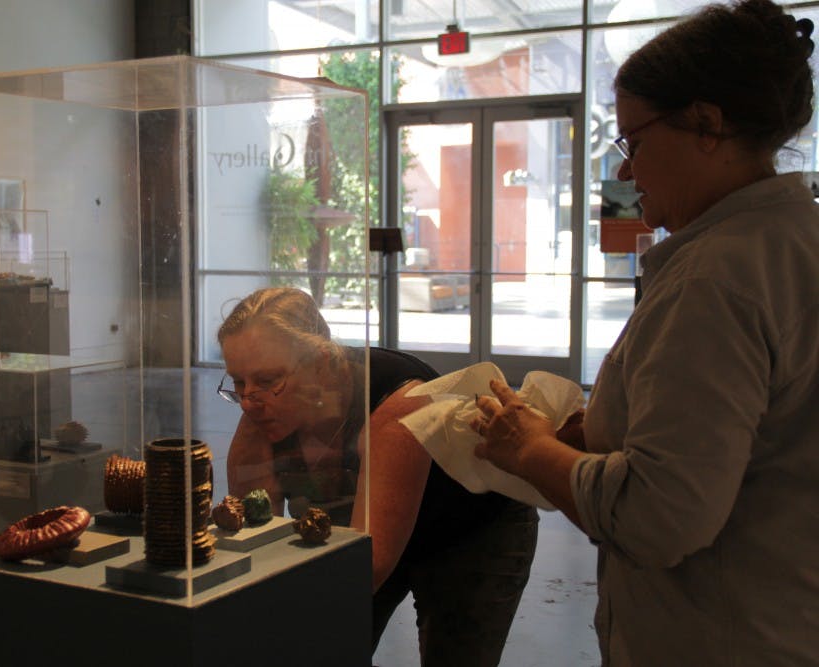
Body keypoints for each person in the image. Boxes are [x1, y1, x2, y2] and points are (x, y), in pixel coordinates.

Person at [470, 1, 819, 664]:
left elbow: (661, 517)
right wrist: (592, 430)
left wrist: (530, 448)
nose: (626, 172)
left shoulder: (715, 279)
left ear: (706, 125)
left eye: (633, 142)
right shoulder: (795, 242)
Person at [217, 287, 538, 666]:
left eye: (269, 379)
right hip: (365, 531)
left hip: (468, 531)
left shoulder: (396, 406)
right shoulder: (262, 414)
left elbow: (364, 570)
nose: (250, 401)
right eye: (239, 382)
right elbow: (258, 551)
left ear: (320, 362)